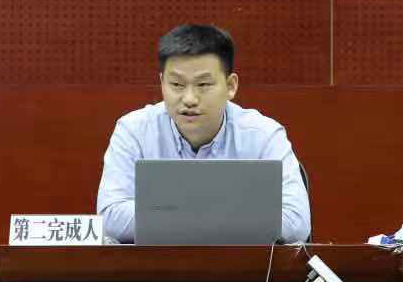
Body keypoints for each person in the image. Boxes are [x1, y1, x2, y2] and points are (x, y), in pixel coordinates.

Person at [97, 24, 310, 244]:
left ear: (230, 86)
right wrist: (220, 217)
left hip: (239, 266)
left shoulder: (263, 135)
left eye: (203, 84)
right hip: (157, 265)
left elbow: (296, 222)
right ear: (162, 84)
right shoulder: (134, 131)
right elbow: (110, 217)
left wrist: (171, 215)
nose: (189, 99)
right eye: (177, 84)